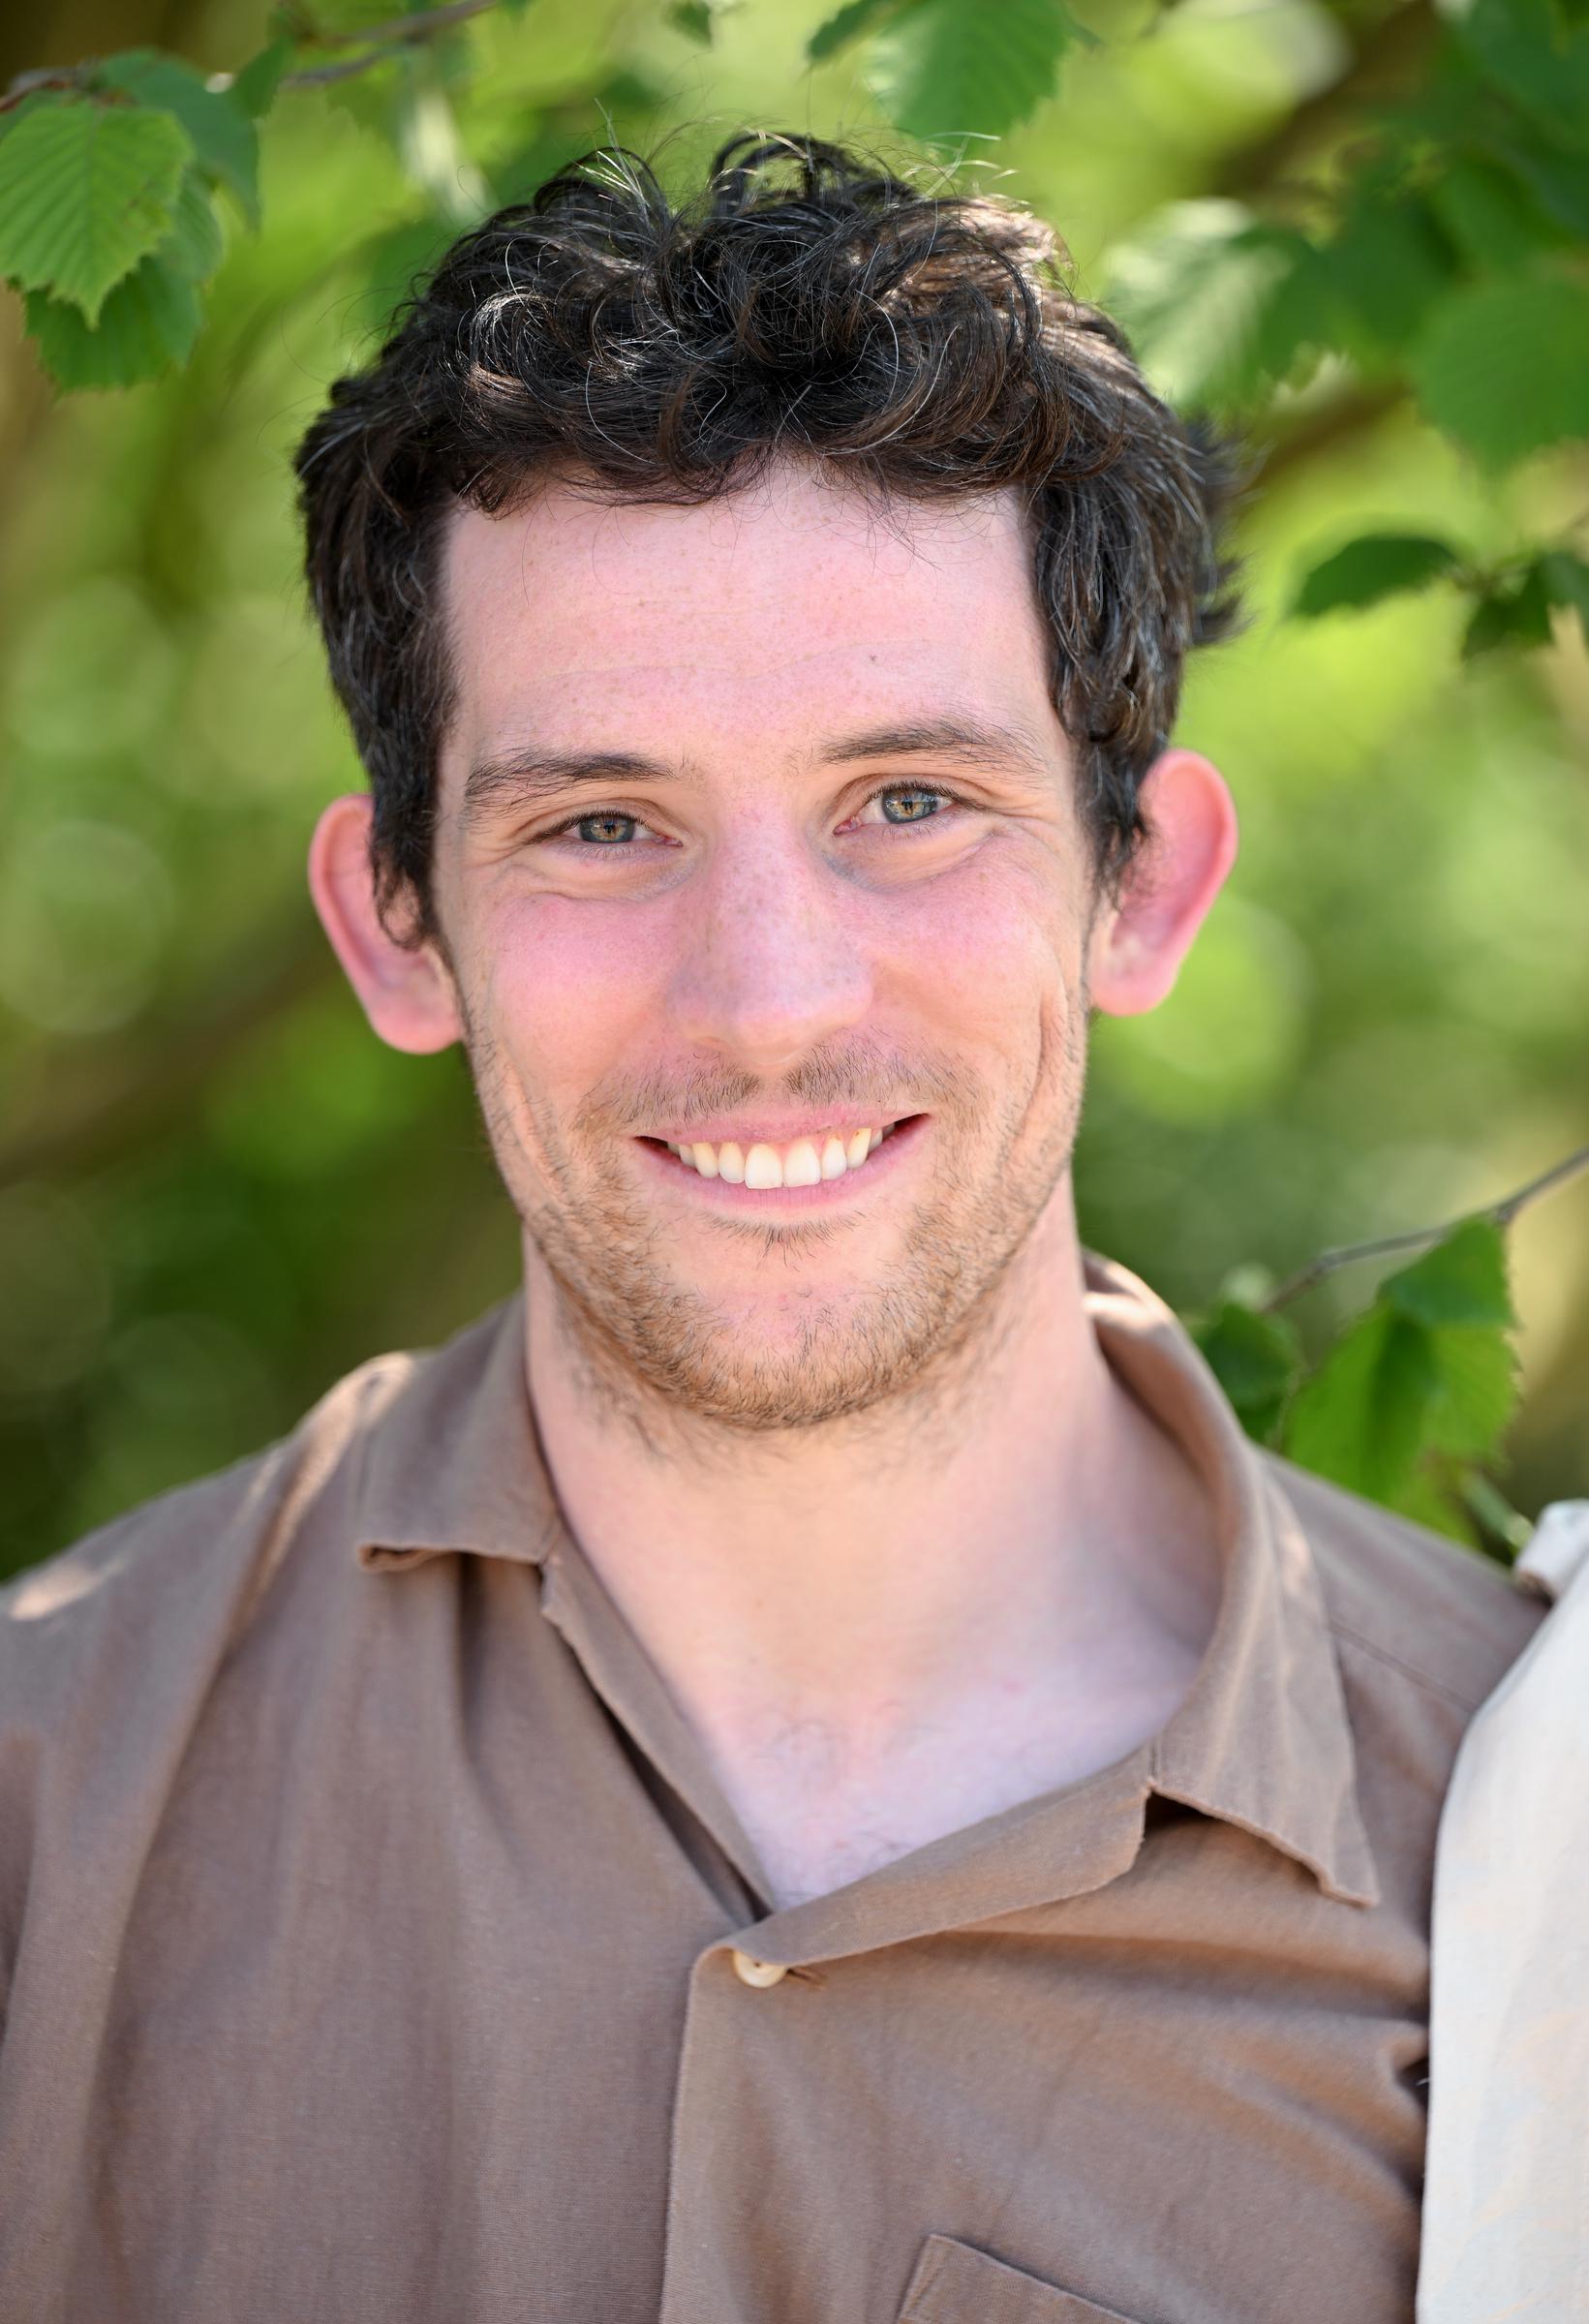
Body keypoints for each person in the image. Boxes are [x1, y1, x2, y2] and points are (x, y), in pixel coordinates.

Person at [0, 133, 1543, 2323]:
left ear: (1142, 882)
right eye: (602, 823)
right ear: (395, 925)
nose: (770, 1001)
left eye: (906, 803)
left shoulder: (1535, 1877)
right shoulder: (40, 1809)